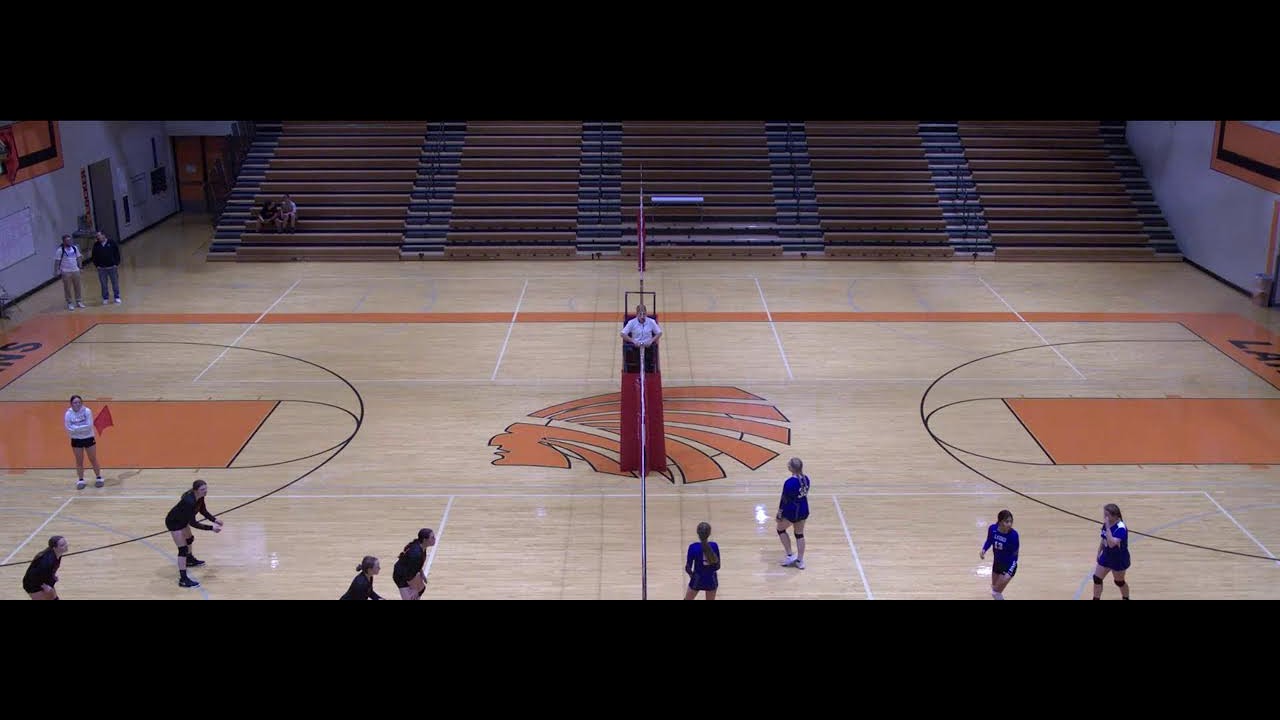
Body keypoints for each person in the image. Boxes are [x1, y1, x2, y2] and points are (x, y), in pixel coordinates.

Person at [164, 479, 224, 588]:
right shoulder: (189, 502)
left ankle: (189, 559)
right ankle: (183, 580)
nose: (205, 491)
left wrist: (214, 520)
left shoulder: (200, 497)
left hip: (183, 520)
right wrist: (211, 528)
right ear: (196, 490)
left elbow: (203, 510)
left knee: (190, 539)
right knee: (182, 549)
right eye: (202, 489)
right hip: (174, 522)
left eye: (206, 489)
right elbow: (193, 523)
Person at [777, 457, 810, 569]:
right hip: (803, 509)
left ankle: (790, 555)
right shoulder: (806, 479)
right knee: (799, 534)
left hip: (792, 511)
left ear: (791, 468)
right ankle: (800, 560)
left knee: (780, 529)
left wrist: (779, 514)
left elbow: (784, 500)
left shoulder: (789, 483)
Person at [1092, 503, 1131, 600]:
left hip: (1118, 559)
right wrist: (1099, 552)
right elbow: (1103, 539)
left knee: (1119, 582)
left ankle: (1126, 598)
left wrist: (1108, 527)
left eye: (1107, 515)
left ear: (1115, 516)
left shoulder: (1121, 528)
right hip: (1106, 556)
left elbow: (1111, 544)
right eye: (1104, 514)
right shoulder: (1107, 523)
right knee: (1097, 578)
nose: (1105, 517)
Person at [64, 395, 103, 489]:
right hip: (76, 440)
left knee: (93, 459)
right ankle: (81, 480)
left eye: (79, 402)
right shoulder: (68, 414)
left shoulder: (87, 411)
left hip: (88, 438)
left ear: (81, 403)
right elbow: (68, 428)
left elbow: (89, 426)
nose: (77, 404)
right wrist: (80, 429)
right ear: (71, 404)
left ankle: (99, 478)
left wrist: (76, 429)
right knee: (79, 461)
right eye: (75, 402)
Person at [980, 509, 1019, 599]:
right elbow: (989, 540)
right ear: (1000, 522)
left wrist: (1009, 571)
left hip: (1008, 565)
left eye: (1011, 521)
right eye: (1007, 522)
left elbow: (1015, 555)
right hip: (997, 564)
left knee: (996, 593)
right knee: (994, 588)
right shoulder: (992, 529)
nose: (1009, 524)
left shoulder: (1013, 535)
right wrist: (984, 550)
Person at [392, 528, 435, 600]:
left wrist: (422, 574)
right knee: (412, 597)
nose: (435, 539)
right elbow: (408, 574)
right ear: (425, 540)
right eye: (432, 537)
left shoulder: (422, 546)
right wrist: (414, 589)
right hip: (401, 576)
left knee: (421, 589)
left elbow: (416, 565)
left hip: (408, 572)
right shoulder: (416, 554)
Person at [22, 536, 68, 600]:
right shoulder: (47, 561)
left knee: (54, 598)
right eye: (62, 545)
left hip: (44, 581)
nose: (66, 546)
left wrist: (52, 576)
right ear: (54, 548)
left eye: (65, 543)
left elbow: (48, 570)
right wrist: (44, 585)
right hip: (33, 584)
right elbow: (34, 575)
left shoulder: (57, 554)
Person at [684, 522, 720, 600]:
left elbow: (688, 568)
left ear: (698, 533)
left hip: (697, 578)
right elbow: (717, 566)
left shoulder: (693, 547)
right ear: (709, 533)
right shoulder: (714, 546)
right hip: (711, 579)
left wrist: (692, 576)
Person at [90, 231, 122, 304]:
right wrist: (97, 265)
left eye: (99, 236)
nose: (98, 237)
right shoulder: (96, 245)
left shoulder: (111, 242)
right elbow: (94, 256)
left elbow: (117, 253)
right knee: (103, 284)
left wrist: (116, 263)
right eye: (97, 236)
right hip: (102, 268)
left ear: (103, 235)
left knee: (115, 283)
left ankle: (117, 297)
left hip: (112, 267)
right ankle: (105, 298)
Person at [55, 234, 85, 310]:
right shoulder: (60, 250)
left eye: (70, 240)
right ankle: (70, 302)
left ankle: (78, 301)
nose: (69, 242)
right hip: (66, 272)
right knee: (67, 288)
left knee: (77, 286)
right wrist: (56, 270)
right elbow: (57, 261)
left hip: (75, 270)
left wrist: (80, 267)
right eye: (67, 240)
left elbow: (78, 257)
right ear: (64, 241)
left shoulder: (74, 248)